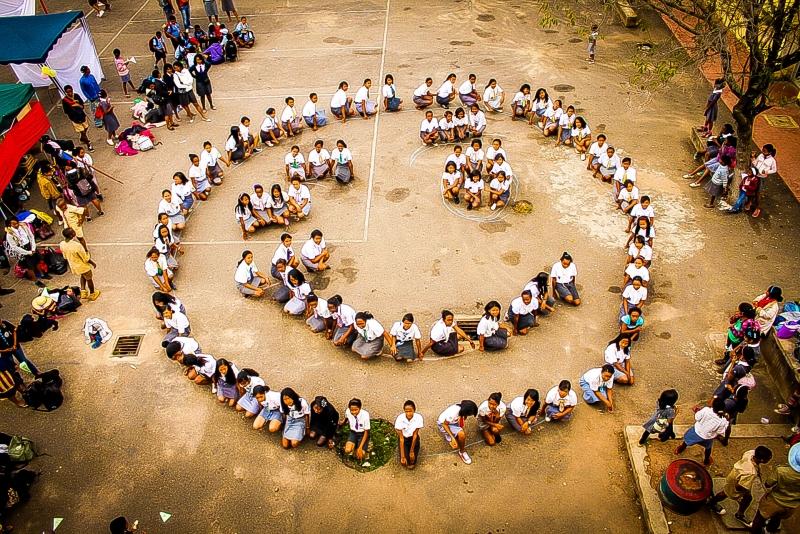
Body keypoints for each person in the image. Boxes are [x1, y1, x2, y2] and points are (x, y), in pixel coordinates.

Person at [750, 442, 800, 533]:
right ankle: (770, 530)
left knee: (759, 519)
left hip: (775, 500)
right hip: (792, 505)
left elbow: (768, 484)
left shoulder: (781, 471)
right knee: (777, 518)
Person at [674, 397, 730, 466]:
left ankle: (680, 449)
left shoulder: (706, 410)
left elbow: (697, 417)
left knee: (686, 441)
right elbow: (719, 432)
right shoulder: (723, 421)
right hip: (708, 437)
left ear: (713, 405)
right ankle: (706, 461)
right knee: (708, 448)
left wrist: (697, 411)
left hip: (696, 432)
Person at [4, 219, 50, 287]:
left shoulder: (23, 227)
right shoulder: (9, 234)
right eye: (14, 224)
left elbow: (31, 236)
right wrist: (27, 252)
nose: (17, 225)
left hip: (30, 246)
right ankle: (35, 280)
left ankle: (42, 274)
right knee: (29, 267)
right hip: (22, 251)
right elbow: (14, 247)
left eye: (17, 223)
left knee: (37, 261)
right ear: (9, 224)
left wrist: (33, 247)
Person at [59, 228, 100, 301]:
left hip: (74, 266)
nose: (74, 232)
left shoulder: (62, 244)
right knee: (89, 279)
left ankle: (83, 291)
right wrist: (92, 263)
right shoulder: (77, 245)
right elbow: (85, 258)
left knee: (83, 275)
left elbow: (64, 256)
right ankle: (92, 293)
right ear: (71, 235)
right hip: (82, 266)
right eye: (73, 231)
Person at [437, 400, 478, 464]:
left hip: (452, 422)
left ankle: (452, 434)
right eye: (469, 414)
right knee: (461, 435)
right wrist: (452, 438)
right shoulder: (454, 413)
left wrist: (464, 416)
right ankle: (462, 452)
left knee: (459, 436)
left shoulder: (461, 407)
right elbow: (445, 424)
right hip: (443, 424)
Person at [61, 85, 94, 151]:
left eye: (70, 91)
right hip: (75, 118)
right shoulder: (65, 100)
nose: (70, 93)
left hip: (82, 116)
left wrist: (78, 105)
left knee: (86, 128)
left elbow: (82, 105)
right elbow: (66, 111)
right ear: (65, 92)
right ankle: (88, 144)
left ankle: (82, 138)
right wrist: (72, 107)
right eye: (68, 92)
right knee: (82, 131)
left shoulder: (76, 96)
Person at [749, 143, 778, 218]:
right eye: (762, 150)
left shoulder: (772, 160)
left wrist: (766, 171)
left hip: (761, 178)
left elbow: (774, 170)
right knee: (751, 189)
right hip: (755, 175)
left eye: (764, 151)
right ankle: (750, 202)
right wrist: (753, 158)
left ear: (770, 152)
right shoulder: (761, 155)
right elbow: (755, 163)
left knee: (758, 193)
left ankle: (757, 208)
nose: (762, 151)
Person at [395, 400, 423, 469]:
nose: (408, 413)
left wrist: (412, 451)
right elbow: (401, 438)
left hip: (413, 438)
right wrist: (402, 456)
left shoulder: (419, 418)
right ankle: (404, 452)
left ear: (414, 410)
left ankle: (412, 449)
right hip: (404, 438)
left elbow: (415, 434)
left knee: (413, 461)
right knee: (405, 462)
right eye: (406, 411)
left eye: (410, 411)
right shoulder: (400, 419)